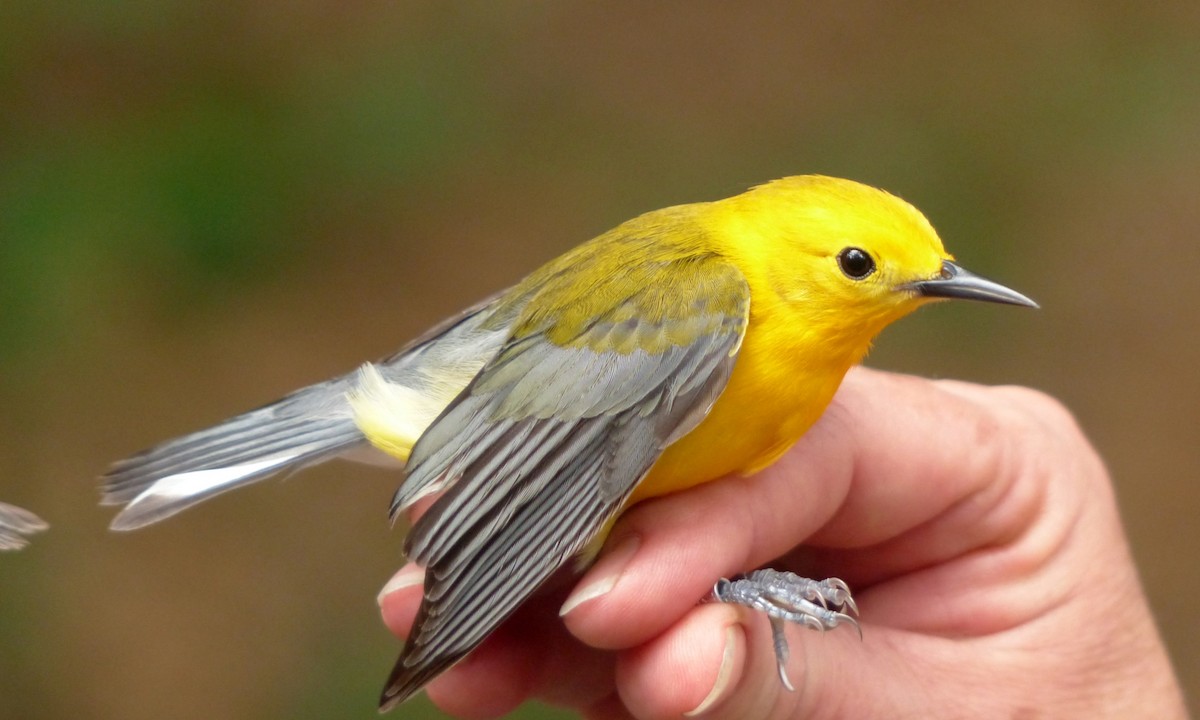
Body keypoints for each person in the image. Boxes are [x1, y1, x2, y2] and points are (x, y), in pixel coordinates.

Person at [378, 367, 1188, 719]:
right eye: (859, 263)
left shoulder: (803, 365)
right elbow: (577, 462)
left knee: (664, 580)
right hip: (489, 421)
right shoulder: (717, 311)